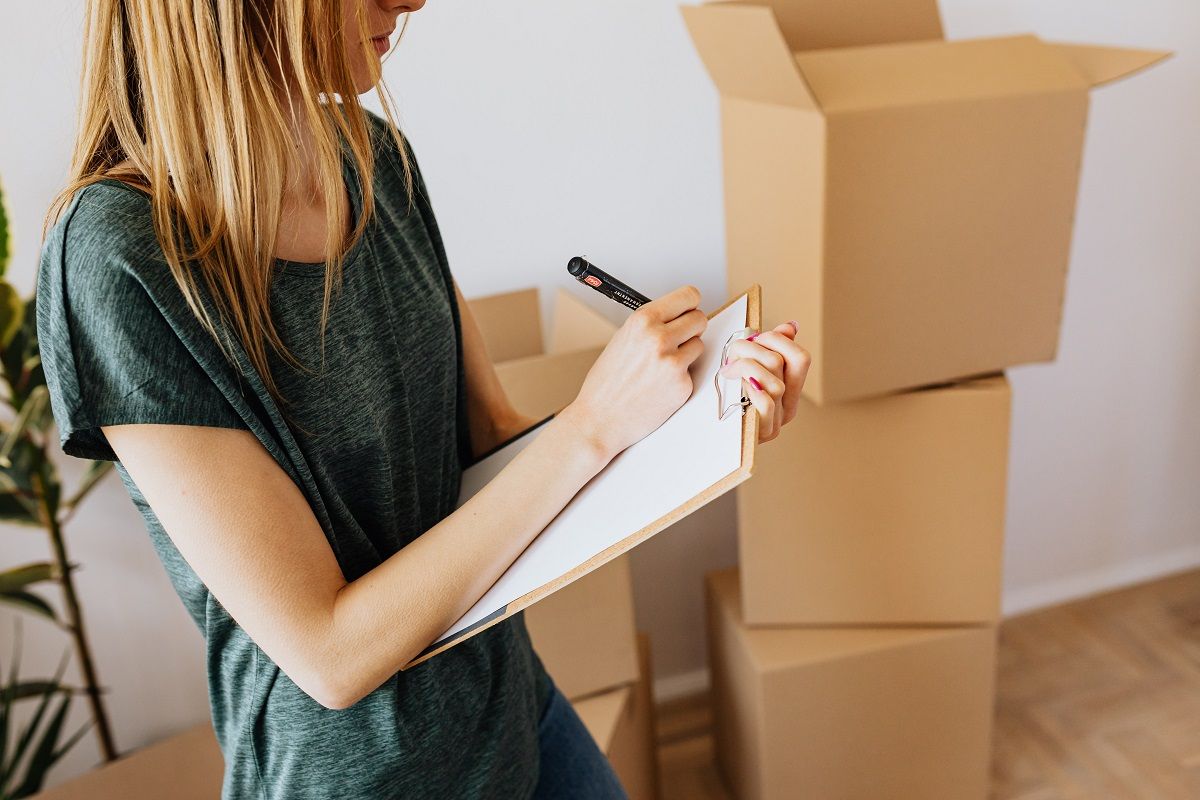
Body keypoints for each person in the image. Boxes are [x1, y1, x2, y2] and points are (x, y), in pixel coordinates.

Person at [35, 1, 810, 797]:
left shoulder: (377, 159)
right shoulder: (120, 259)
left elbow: (497, 447)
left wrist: (698, 413)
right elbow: (329, 654)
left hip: (514, 713)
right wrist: (591, 424)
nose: (411, 1)